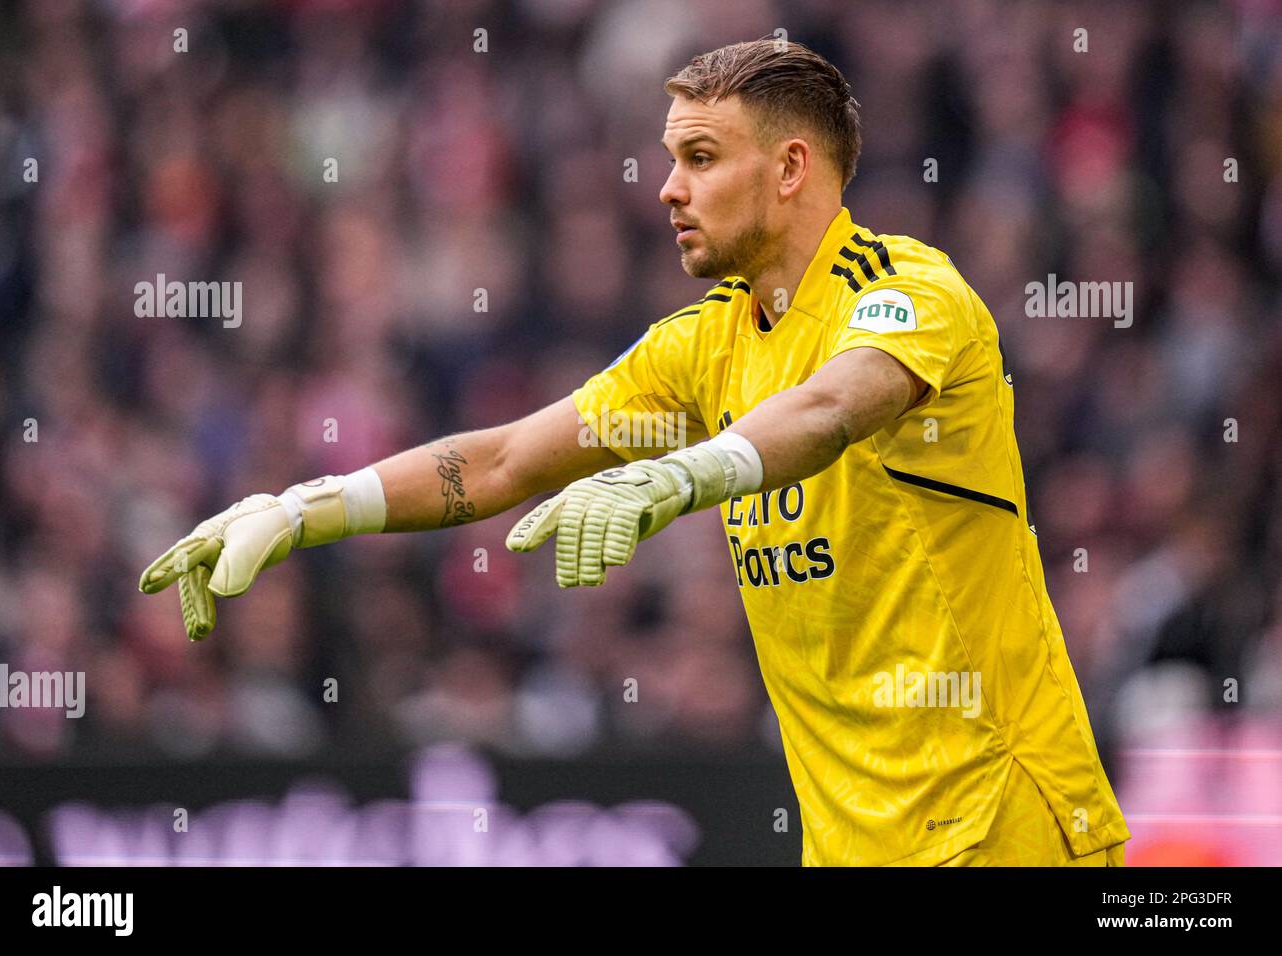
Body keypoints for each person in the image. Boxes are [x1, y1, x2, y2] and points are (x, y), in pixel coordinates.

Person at [140, 37, 1130, 867]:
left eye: (700, 156)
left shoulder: (906, 288)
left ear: (789, 169)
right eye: (670, 157)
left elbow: (832, 405)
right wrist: (309, 504)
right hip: (854, 846)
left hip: (1005, 819)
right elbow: (505, 461)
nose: (666, 188)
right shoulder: (704, 342)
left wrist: (680, 472)